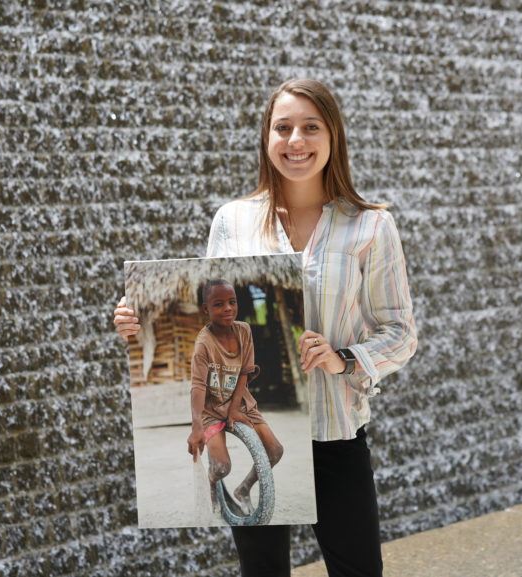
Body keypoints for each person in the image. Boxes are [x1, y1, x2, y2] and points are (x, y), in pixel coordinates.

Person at [114, 78, 418, 577]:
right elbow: (203, 316)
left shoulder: (371, 226)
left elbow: (401, 332)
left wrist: (343, 357)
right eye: (283, 128)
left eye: (310, 127)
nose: (296, 140)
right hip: (254, 412)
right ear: (266, 138)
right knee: (262, 570)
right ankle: (242, 485)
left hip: (334, 434)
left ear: (333, 137)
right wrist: (140, 322)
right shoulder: (232, 221)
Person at [188, 279, 283, 518]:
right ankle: (212, 483)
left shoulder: (244, 331)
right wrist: (196, 426)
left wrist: (233, 410)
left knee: (275, 451)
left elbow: (244, 372)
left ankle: (243, 489)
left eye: (232, 302)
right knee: (222, 467)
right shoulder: (203, 345)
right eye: (219, 304)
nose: (228, 308)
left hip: (241, 401)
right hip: (211, 410)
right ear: (205, 310)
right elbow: (198, 386)